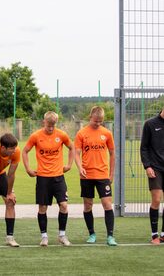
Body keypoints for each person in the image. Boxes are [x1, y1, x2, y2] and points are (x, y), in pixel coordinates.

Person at [22, 111, 74, 247]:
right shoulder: (36, 136)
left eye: (53, 125)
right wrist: (28, 169)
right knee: (43, 207)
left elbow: (72, 147)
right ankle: (44, 236)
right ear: (44, 122)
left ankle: (62, 235)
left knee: (63, 205)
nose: (51, 128)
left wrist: (69, 164)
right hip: (43, 177)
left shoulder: (61, 135)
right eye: (49, 125)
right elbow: (25, 151)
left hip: (58, 177)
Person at [74, 106, 117, 246]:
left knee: (107, 204)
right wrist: (80, 167)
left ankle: (110, 236)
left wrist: (111, 173)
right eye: (96, 121)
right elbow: (76, 153)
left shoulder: (107, 133)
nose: (98, 123)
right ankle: (91, 234)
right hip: (86, 175)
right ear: (90, 117)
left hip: (102, 175)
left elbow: (112, 154)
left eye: (100, 121)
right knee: (88, 205)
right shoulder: (81, 133)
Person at [140, 106, 164, 245]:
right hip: (155, 168)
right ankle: (154, 235)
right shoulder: (150, 124)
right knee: (156, 199)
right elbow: (144, 147)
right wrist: (147, 166)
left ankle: (163, 234)